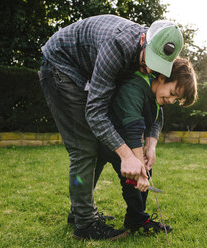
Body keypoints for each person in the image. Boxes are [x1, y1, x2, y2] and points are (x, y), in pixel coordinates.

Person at [38, 14, 184, 240]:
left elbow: (154, 105)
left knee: (98, 146)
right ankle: (85, 224)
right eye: (148, 61)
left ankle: (79, 212)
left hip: (82, 73)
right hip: (61, 67)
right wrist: (127, 156)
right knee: (84, 148)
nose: (148, 69)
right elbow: (95, 112)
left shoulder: (157, 49)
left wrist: (150, 143)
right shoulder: (117, 46)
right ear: (144, 39)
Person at [95, 58, 197, 234]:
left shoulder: (156, 93)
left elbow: (157, 119)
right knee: (133, 175)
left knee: (143, 172)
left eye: (176, 98)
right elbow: (134, 131)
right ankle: (132, 219)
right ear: (163, 77)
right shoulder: (134, 87)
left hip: (125, 139)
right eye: (172, 93)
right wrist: (139, 167)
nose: (172, 100)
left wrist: (151, 147)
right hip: (107, 137)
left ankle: (136, 218)